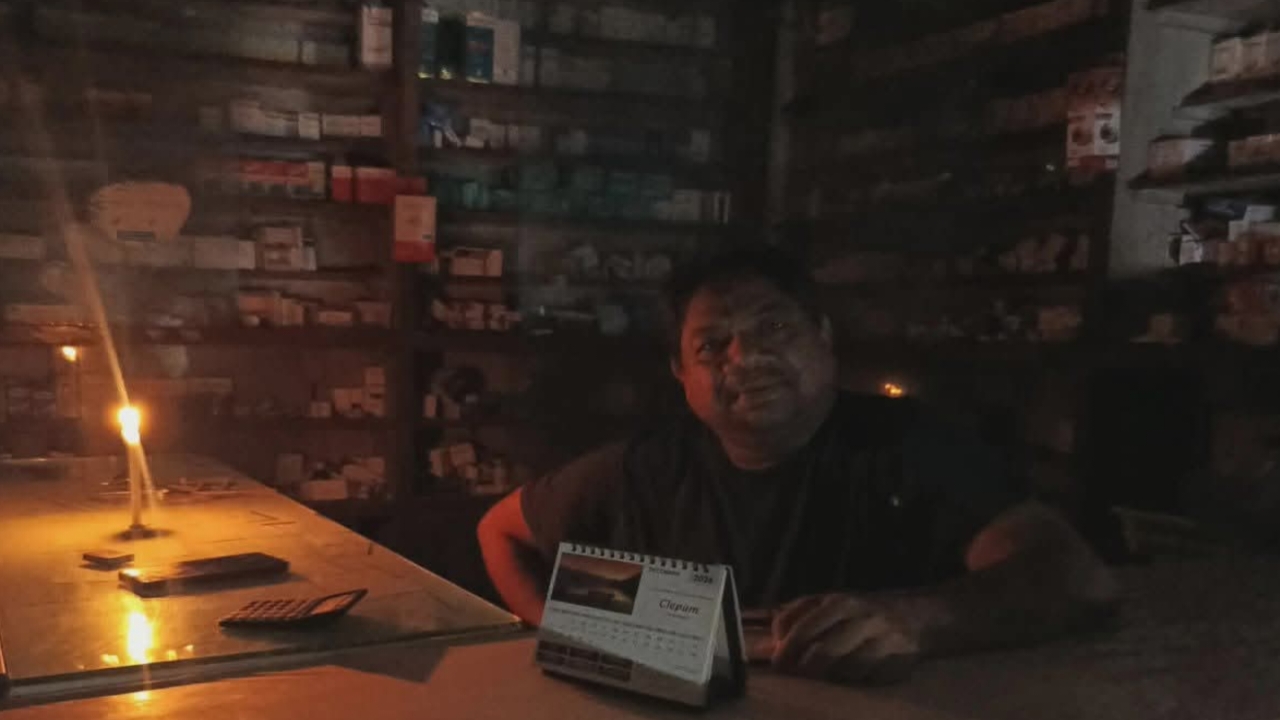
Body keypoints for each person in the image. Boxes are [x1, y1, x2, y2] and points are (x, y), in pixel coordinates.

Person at [477, 246, 1118, 685]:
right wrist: (559, 630)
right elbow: (500, 531)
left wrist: (918, 620)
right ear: (681, 372)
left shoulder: (910, 446)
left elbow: (1075, 578)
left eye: (774, 329)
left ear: (824, 336)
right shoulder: (646, 466)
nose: (746, 358)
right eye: (712, 345)